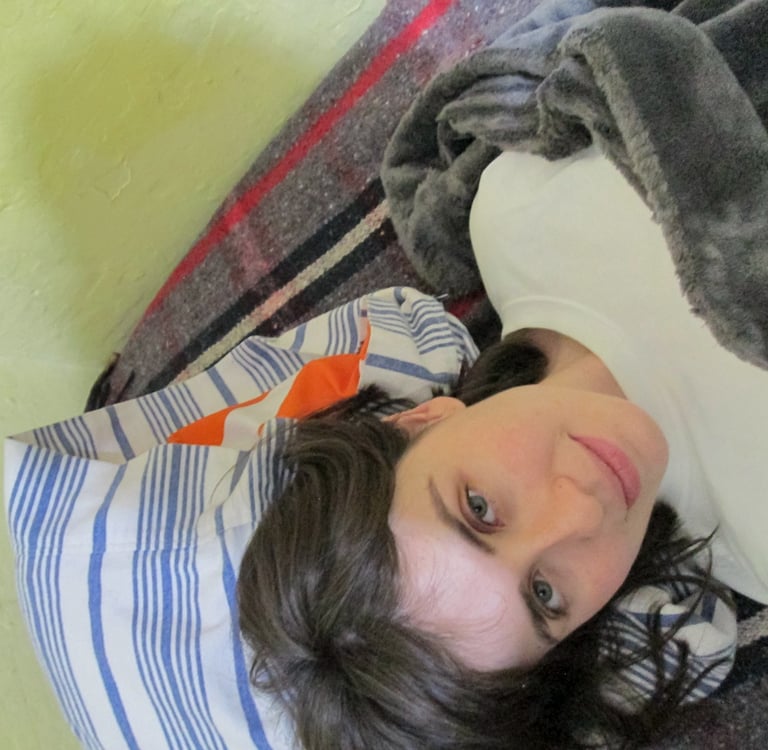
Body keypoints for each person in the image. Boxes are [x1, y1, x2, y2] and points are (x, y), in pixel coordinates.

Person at [237, 144, 768, 749]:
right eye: (545, 595)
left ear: (421, 423)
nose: (580, 512)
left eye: (479, 508)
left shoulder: (514, 213)